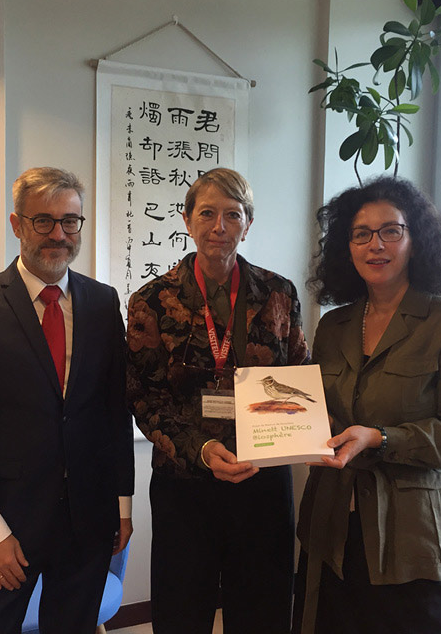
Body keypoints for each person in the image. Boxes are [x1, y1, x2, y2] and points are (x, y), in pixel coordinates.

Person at [0, 167, 134, 634]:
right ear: (17, 224)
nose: (58, 234)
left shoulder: (102, 304)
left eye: (70, 221)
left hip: (87, 522)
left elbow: (114, 412)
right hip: (6, 525)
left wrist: (121, 505)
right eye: (43, 220)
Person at [292, 176, 441, 634]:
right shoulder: (334, 326)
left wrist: (380, 438)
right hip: (331, 529)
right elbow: (317, 408)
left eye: (391, 231)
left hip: (413, 539)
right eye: (361, 234)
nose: (375, 244)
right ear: (347, 247)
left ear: (415, 239)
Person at [126, 168, 309, 634]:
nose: (219, 227)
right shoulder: (152, 300)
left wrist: (301, 433)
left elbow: (298, 379)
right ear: (187, 221)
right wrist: (203, 450)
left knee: (264, 614)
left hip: (263, 483)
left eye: (233, 215)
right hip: (185, 485)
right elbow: (143, 397)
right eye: (207, 213)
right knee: (181, 614)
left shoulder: (279, 294)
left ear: (248, 224)